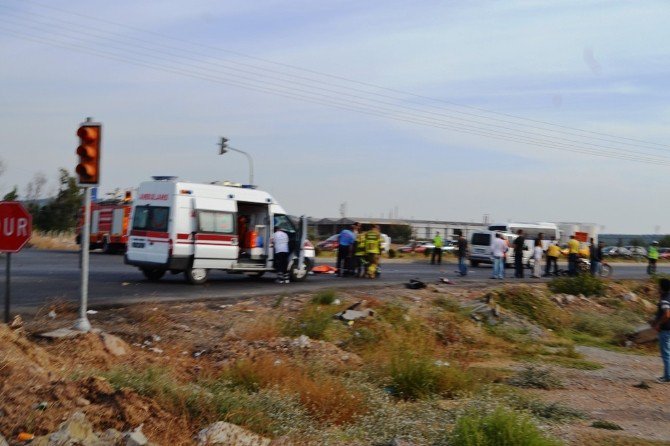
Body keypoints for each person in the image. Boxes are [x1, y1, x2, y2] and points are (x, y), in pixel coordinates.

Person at [652, 278, 670, 383]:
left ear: (662, 288)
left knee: (666, 353)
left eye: (658, 286)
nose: (657, 288)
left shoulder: (664, 299)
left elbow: (667, 314)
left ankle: (668, 376)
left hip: (666, 330)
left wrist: (659, 324)